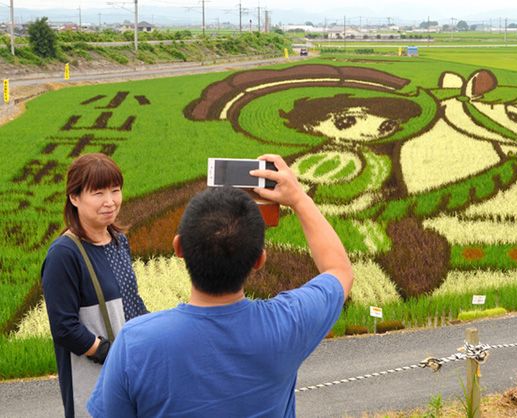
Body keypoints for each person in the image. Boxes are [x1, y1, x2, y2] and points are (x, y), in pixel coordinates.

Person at [86, 154, 353, 417]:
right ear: (259, 260)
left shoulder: (135, 342)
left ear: (178, 247)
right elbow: (339, 271)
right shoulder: (289, 323)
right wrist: (298, 198)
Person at [42, 153, 148, 418]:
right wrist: (108, 353)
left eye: (115, 190)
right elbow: (64, 328)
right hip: (93, 378)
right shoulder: (64, 254)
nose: (110, 202)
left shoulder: (119, 241)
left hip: (127, 373)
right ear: (74, 197)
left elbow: (131, 302)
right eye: (98, 193)